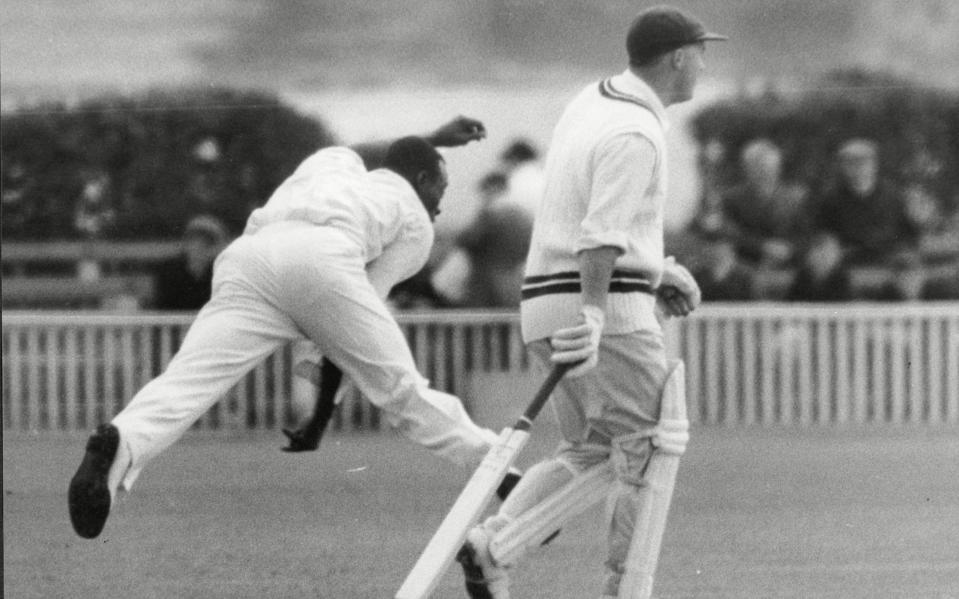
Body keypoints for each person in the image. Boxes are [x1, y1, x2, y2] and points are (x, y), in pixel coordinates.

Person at [67, 120, 510, 541]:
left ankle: (121, 441)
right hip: (322, 259)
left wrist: (430, 138)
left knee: (187, 381)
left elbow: (386, 157)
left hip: (249, 258)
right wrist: (318, 420)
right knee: (402, 392)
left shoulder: (333, 162)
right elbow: (346, 333)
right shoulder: (414, 222)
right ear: (421, 179)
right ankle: (500, 468)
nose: (440, 203)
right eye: (440, 188)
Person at [457, 6, 721, 598]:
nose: (704, 67)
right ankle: (625, 591)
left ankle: (492, 545)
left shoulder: (592, 101)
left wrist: (657, 270)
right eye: (701, 54)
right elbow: (600, 235)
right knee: (655, 444)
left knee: (592, 450)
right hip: (599, 311)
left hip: (546, 304)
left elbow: (587, 214)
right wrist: (599, 314)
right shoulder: (637, 131)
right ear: (679, 57)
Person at [814, 138, 921, 297]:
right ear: (843, 167)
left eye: (863, 163)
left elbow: (910, 234)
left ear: (874, 165)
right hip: (849, 258)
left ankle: (910, 315)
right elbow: (823, 234)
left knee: (909, 267)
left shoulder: (894, 196)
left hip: (889, 256)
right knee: (825, 266)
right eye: (851, 163)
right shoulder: (831, 199)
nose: (858, 169)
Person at [717, 138, 813, 271]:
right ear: (747, 169)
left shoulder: (797, 197)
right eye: (758, 167)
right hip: (747, 267)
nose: (765, 173)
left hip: (789, 266)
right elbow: (730, 234)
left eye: (770, 168)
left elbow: (807, 235)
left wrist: (790, 250)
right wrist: (763, 246)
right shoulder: (732, 198)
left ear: (778, 167)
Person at [152, 214, 230, 310]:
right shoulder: (169, 271)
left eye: (207, 242)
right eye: (194, 240)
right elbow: (162, 309)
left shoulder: (224, 273)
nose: (199, 246)